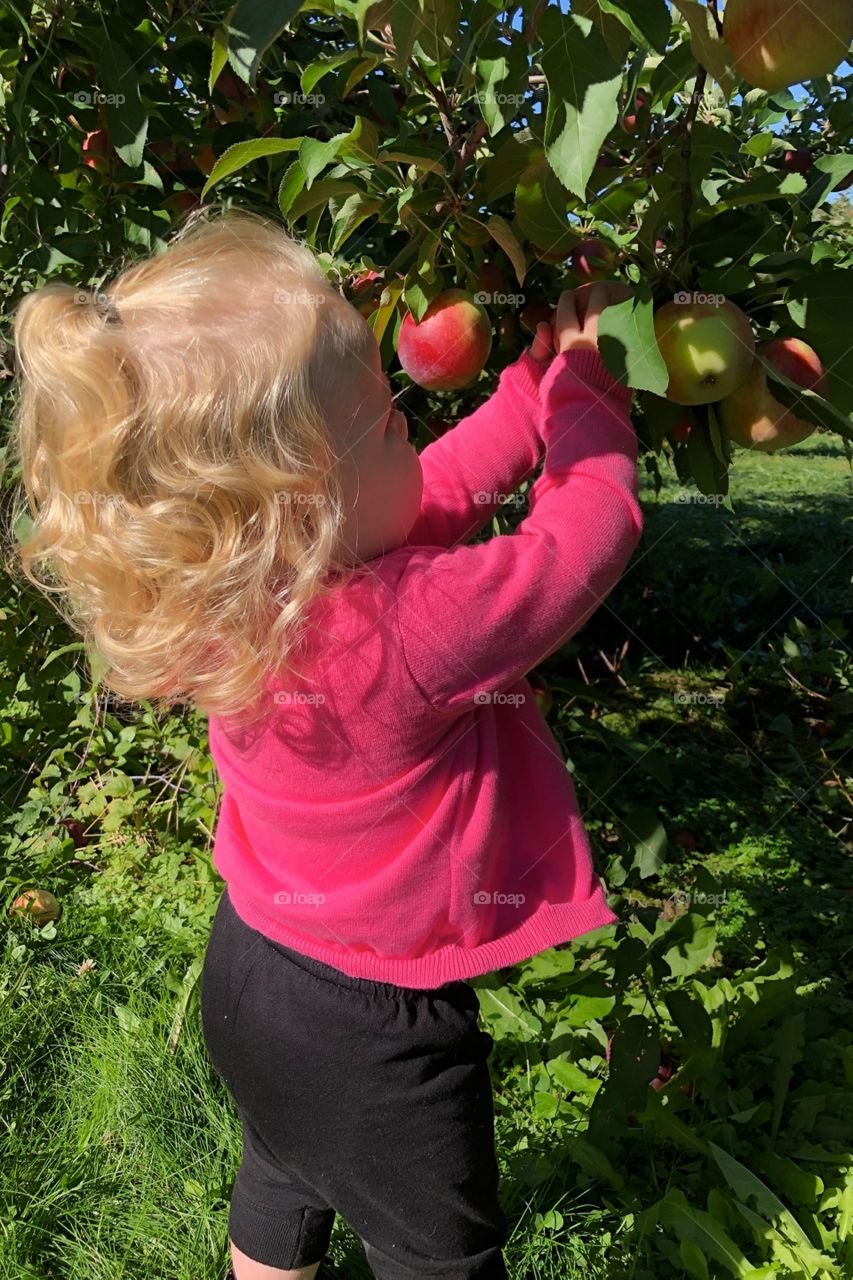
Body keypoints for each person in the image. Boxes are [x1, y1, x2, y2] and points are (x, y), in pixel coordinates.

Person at [7, 207, 642, 1280]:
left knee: (285, 1168)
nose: (412, 434)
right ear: (310, 504)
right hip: (377, 1031)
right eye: (393, 424)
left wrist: (525, 390)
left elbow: (430, 491)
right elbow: (586, 536)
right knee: (439, 1256)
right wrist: (587, 389)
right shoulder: (411, 626)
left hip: (252, 972)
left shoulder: (225, 600)